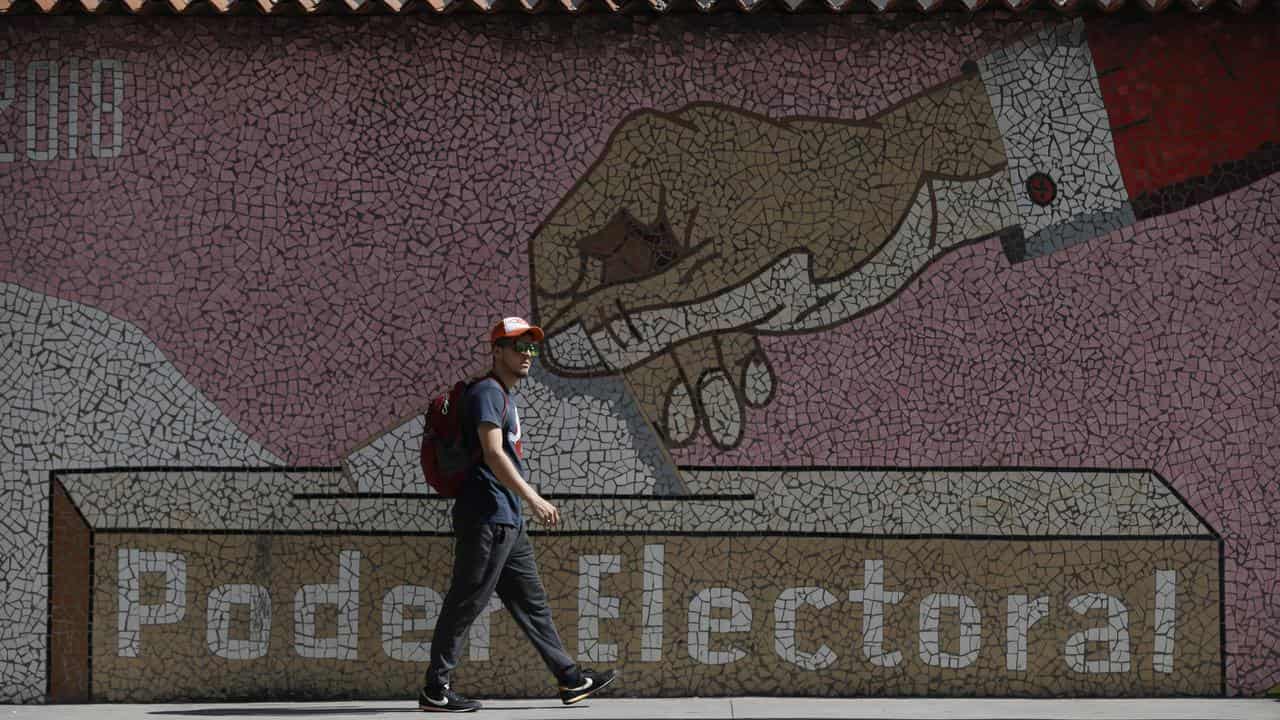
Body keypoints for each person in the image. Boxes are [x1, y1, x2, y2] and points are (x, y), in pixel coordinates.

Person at [418, 316, 617, 713]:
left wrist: (520, 506)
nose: (527, 355)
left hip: (506, 520)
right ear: (496, 351)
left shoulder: (504, 396)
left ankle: (570, 679)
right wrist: (533, 498)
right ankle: (435, 689)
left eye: (531, 348)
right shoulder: (487, 394)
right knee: (467, 601)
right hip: (487, 515)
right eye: (517, 347)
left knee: (533, 604)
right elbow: (493, 453)